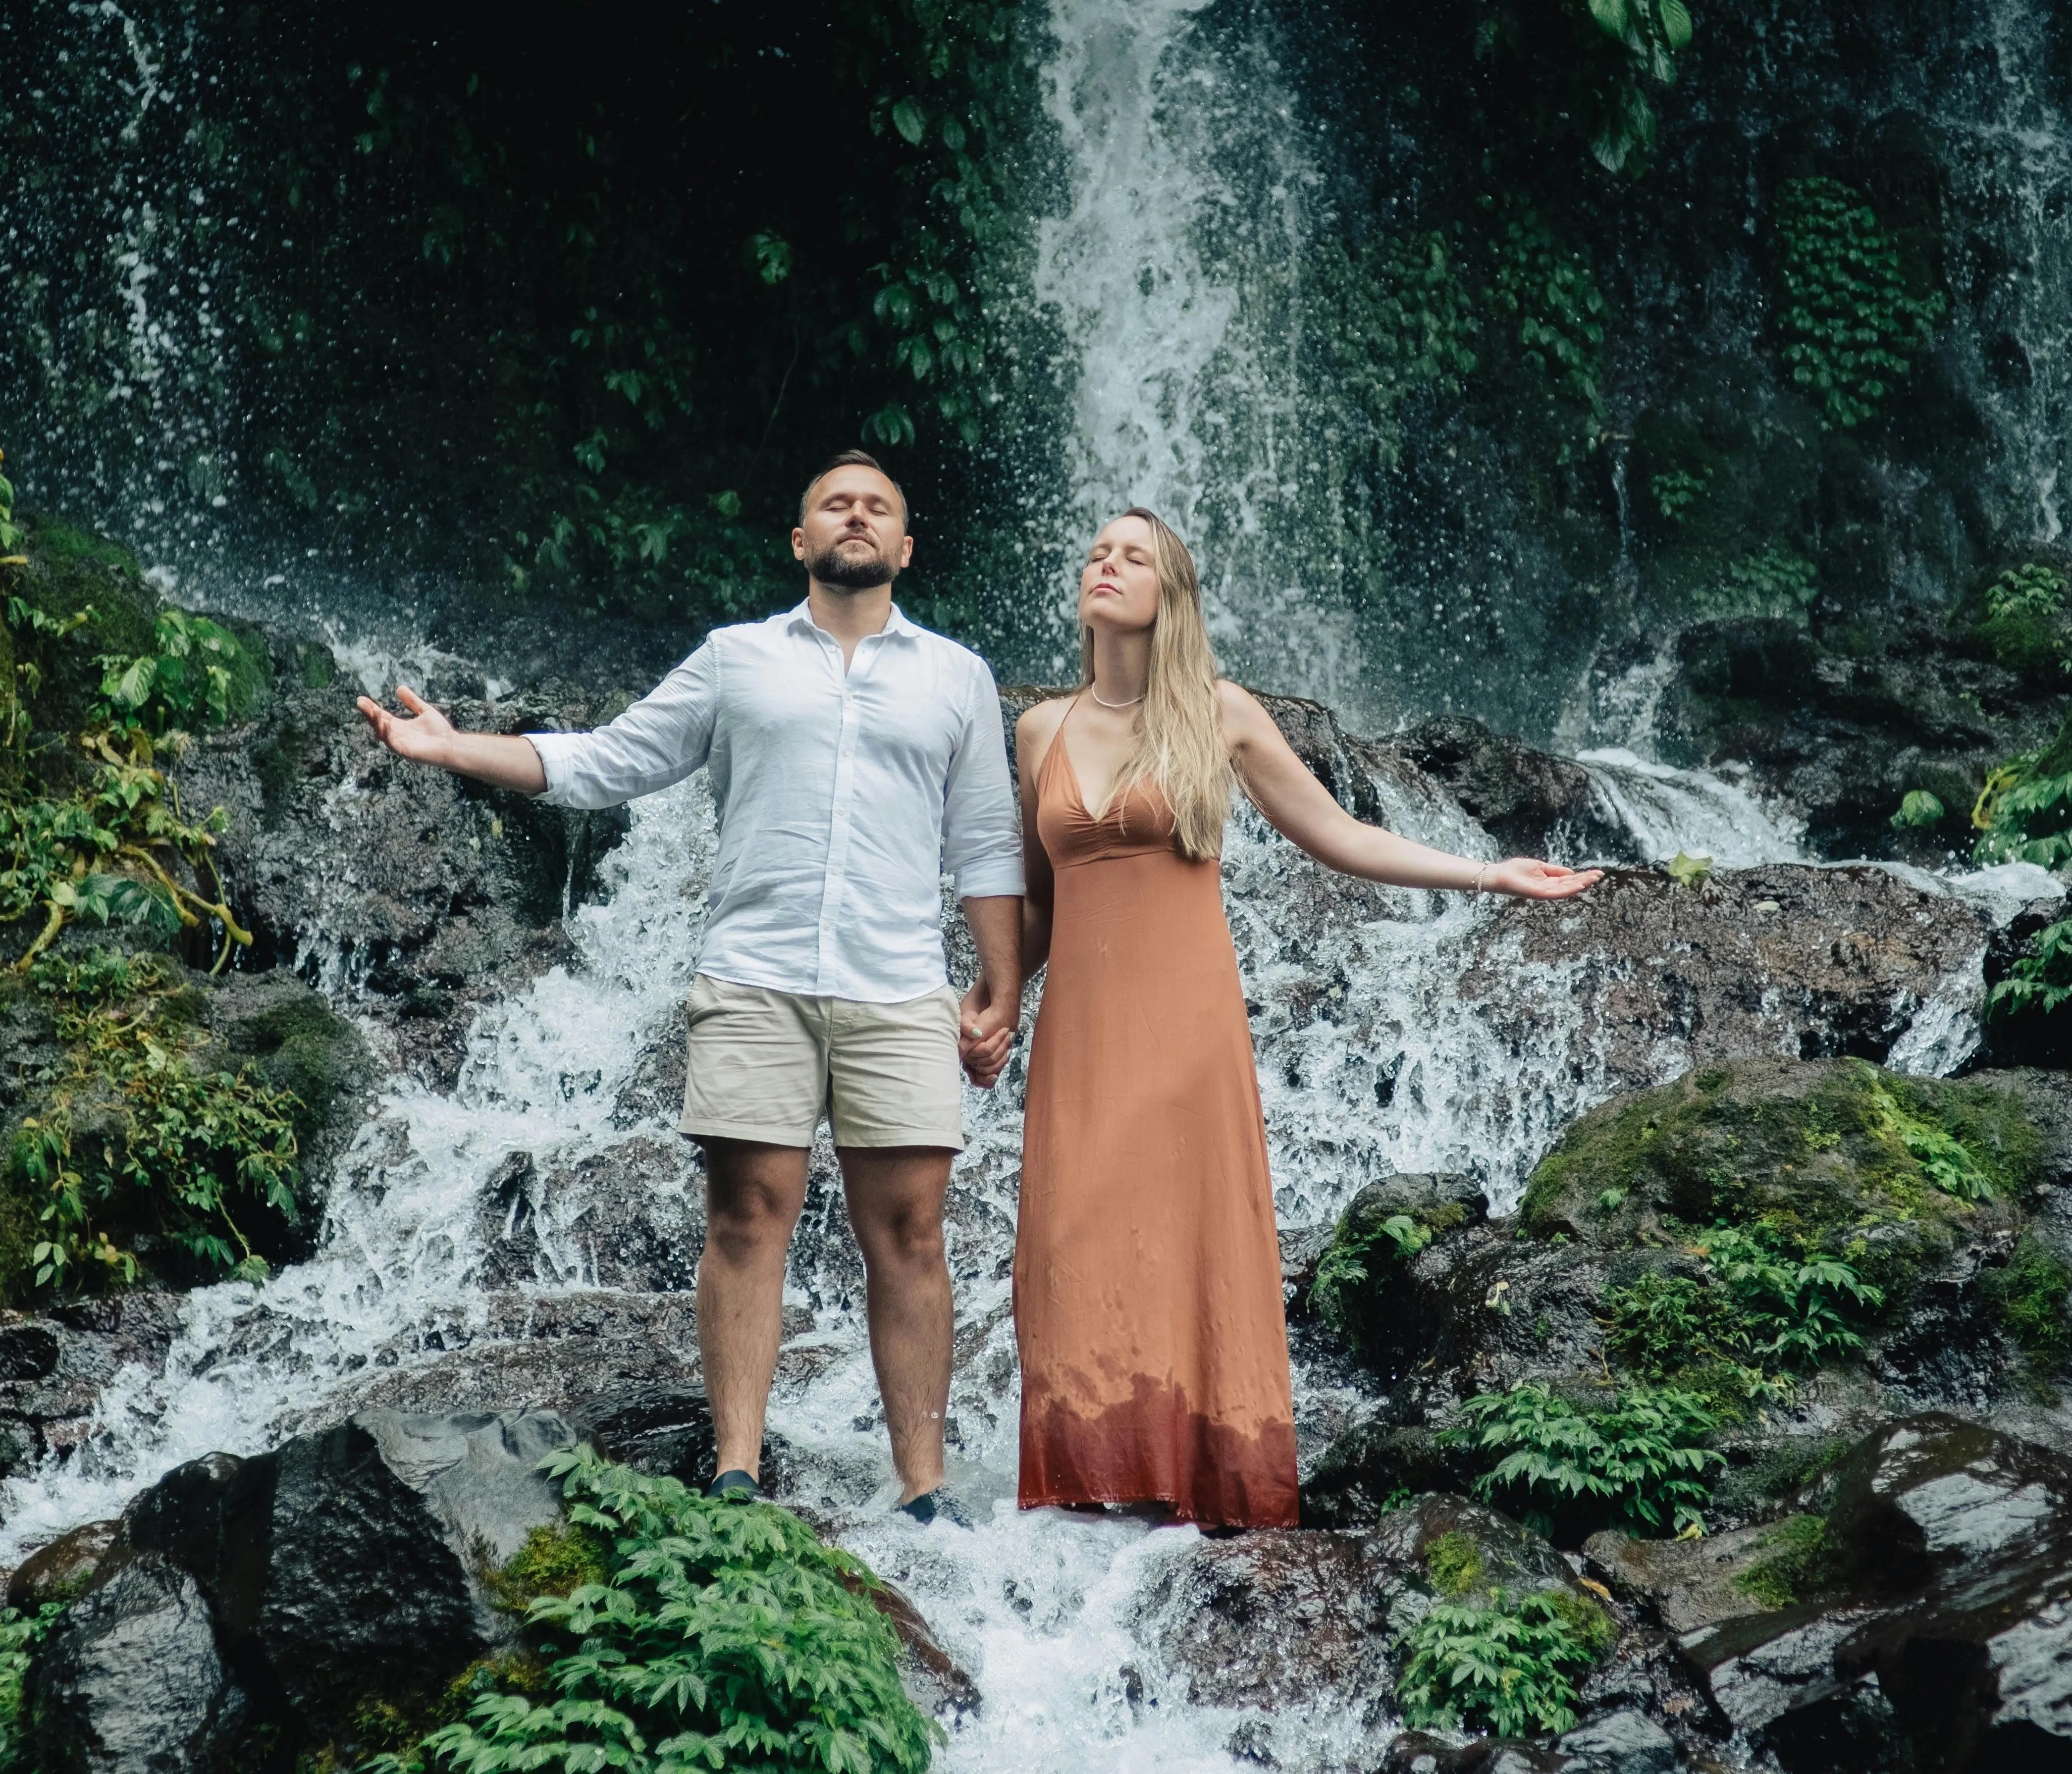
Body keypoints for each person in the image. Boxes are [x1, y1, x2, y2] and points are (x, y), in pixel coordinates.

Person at [356, 455, 1023, 1520]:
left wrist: (1001, 986)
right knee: (746, 1218)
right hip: (755, 978)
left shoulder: (957, 677)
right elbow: (610, 760)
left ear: (905, 548)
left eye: (879, 506)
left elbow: (987, 841)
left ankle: (924, 1485)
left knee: (910, 1235)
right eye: (833, 504)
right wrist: (451, 749)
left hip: (899, 987)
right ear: (799, 542)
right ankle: (736, 1468)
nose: (856, 513)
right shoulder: (737, 660)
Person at [1000, 509, 1603, 1529]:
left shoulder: (1218, 713)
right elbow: (1037, 905)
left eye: (1133, 556)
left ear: (1170, 596)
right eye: (1097, 552)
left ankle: (1197, 1468)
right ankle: (1091, 1465)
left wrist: (1488, 873)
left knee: (1182, 1231)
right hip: (1080, 1032)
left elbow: (1340, 834)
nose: (1107, 564)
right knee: (1070, 1232)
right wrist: (988, 998)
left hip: (1185, 1022)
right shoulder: (1037, 732)